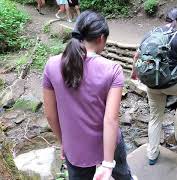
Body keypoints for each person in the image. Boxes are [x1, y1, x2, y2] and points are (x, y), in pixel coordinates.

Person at [43, 10, 136, 180]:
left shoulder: (51, 65)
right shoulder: (113, 69)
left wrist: (63, 141)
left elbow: (50, 114)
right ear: (101, 38)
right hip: (109, 144)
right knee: (122, 174)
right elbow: (110, 120)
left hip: (75, 148)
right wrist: (108, 163)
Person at [131, 7, 177, 165]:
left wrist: (134, 73)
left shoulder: (151, 33)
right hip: (173, 84)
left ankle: (152, 155)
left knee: (155, 118)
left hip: (152, 85)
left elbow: (136, 55)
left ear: (166, 19)